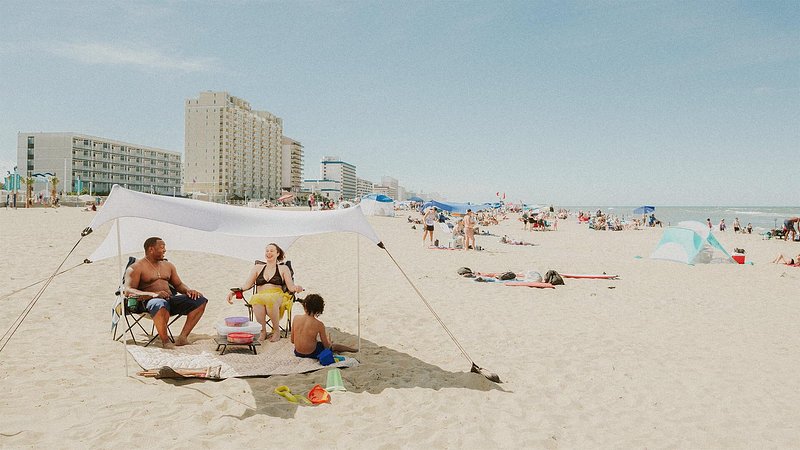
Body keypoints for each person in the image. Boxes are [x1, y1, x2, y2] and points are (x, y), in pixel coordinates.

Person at [124, 237, 208, 348]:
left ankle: (183, 337)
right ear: (151, 249)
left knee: (200, 300)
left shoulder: (168, 266)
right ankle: (165, 341)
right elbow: (128, 290)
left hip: (169, 299)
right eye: (162, 247)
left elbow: (178, 285)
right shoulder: (136, 267)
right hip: (149, 302)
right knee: (159, 303)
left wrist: (188, 290)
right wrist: (153, 294)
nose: (164, 251)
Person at [227, 243, 303, 342]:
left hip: (277, 295)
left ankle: (276, 331)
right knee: (256, 299)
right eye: (267, 251)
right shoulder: (257, 268)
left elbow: (291, 287)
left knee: (269, 299)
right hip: (261, 295)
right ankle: (263, 331)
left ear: (277, 253)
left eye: (271, 251)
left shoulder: (283, 268)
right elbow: (247, 285)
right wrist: (233, 293)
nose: (269, 253)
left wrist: (297, 287)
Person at [291, 294, 358, 358]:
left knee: (316, 342)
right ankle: (353, 350)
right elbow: (326, 347)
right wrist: (329, 342)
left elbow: (292, 341)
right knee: (334, 346)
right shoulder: (319, 324)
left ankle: (353, 349)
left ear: (305, 305)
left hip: (298, 352)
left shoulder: (296, 318)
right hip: (312, 353)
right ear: (318, 310)